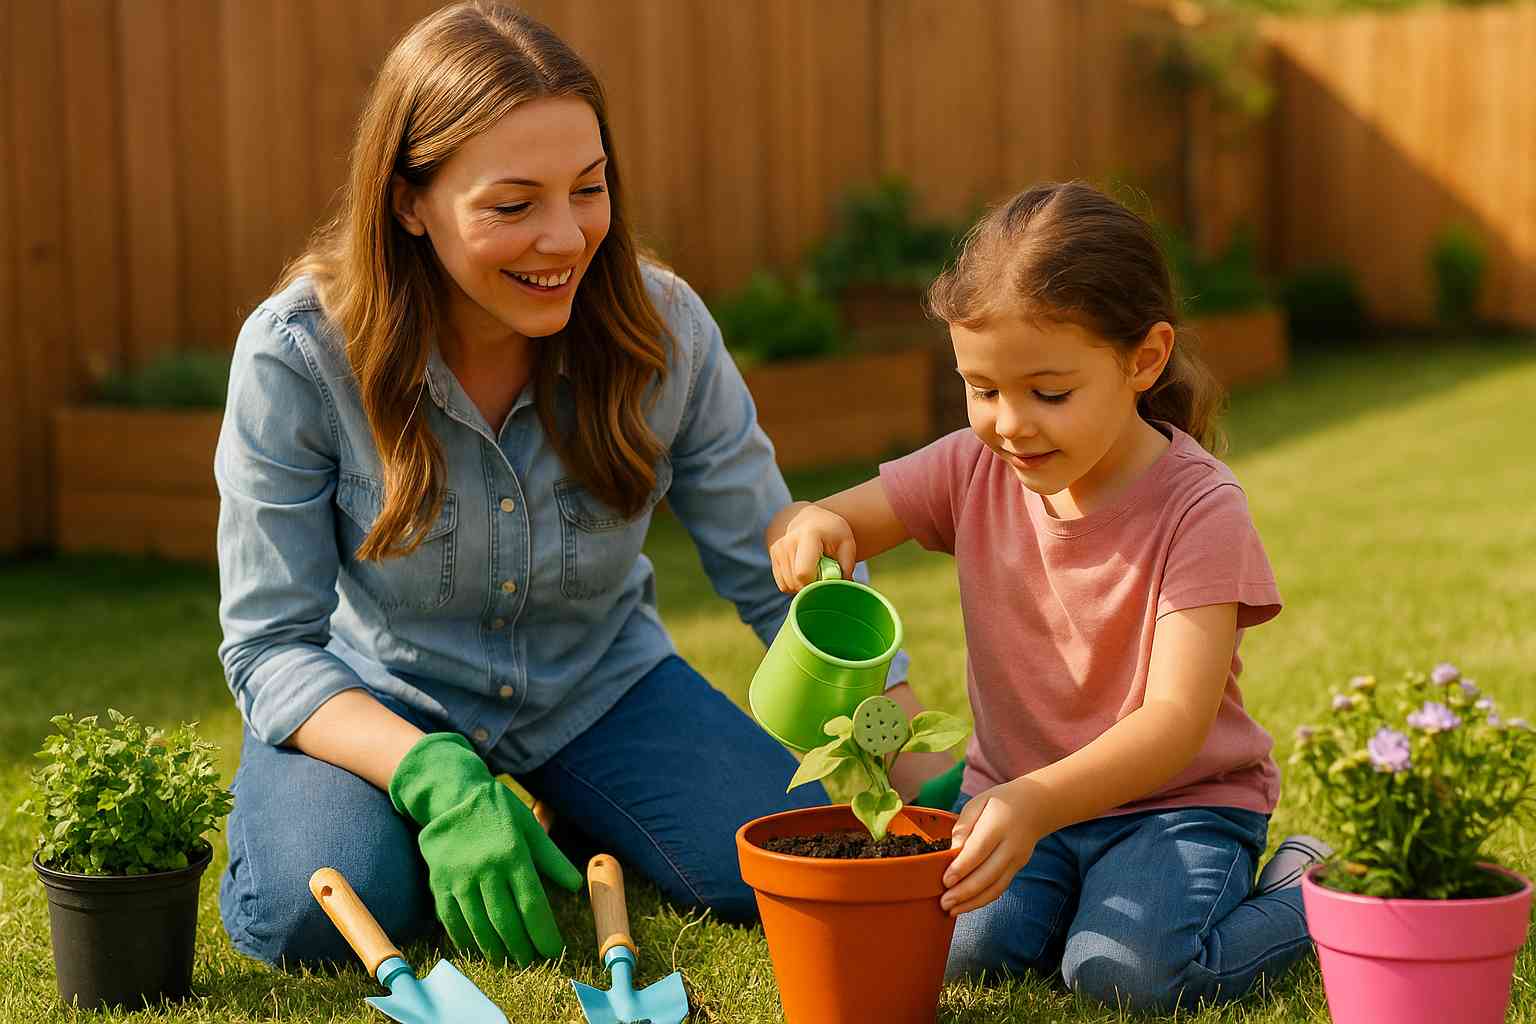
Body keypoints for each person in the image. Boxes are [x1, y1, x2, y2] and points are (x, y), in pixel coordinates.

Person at [214, 0, 865, 969]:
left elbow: (774, 564)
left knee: (780, 861)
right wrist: (425, 771)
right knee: (318, 915)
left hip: (601, 685)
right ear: (408, 200)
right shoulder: (299, 356)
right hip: (382, 697)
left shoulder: (664, 330)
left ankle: (551, 798)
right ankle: (431, 798)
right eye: (514, 206)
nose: (564, 238)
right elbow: (270, 645)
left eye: (589, 189)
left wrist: (890, 733)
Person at [766, 181, 1328, 1013]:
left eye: (1049, 394)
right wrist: (805, 527)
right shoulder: (973, 465)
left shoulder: (1199, 508)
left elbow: (1175, 722)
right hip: (1016, 804)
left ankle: (1312, 893)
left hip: (1175, 808)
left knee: (1126, 978)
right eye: (982, 389)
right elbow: (830, 519)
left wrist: (1034, 802)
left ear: (1145, 359)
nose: (1010, 425)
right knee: (957, 957)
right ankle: (1076, 905)